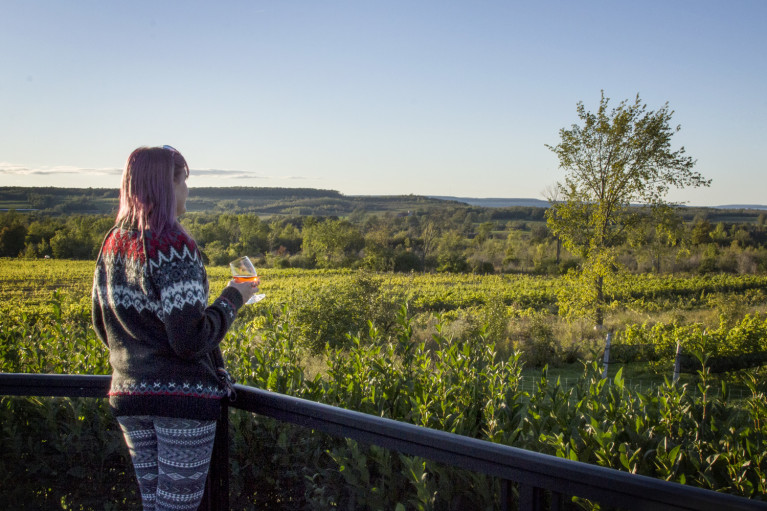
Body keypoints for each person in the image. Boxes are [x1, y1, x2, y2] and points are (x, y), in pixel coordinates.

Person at [91, 145, 257, 511]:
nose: (188, 191)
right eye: (184, 181)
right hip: (181, 401)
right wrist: (235, 296)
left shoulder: (113, 243)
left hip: (129, 395)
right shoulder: (173, 244)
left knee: (155, 506)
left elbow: (103, 326)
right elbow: (190, 339)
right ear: (168, 184)